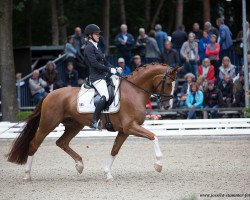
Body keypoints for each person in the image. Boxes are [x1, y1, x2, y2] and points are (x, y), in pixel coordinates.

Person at [84, 24, 122, 130]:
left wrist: (115, 68)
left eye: (98, 34)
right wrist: (109, 70)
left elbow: (105, 62)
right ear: (90, 35)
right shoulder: (88, 48)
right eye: (96, 34)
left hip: (104, 76)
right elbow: (95, 64)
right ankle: (94, 121)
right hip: (96, 78)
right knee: (105, 95)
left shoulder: (97, 47)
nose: (98, 36)